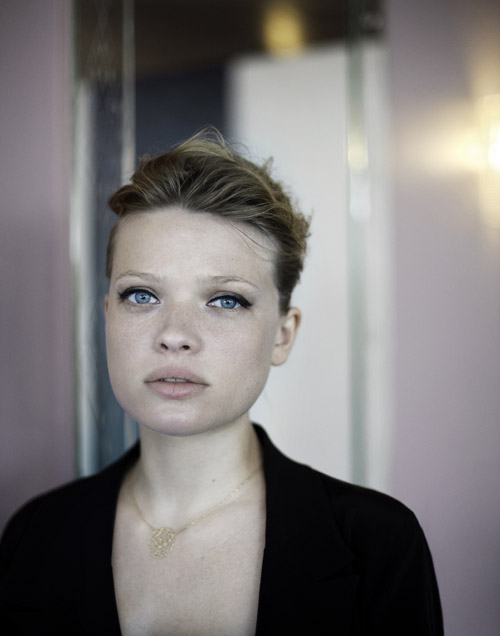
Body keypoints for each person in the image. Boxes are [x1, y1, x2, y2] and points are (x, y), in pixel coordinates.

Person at [0, 130, 443, 635]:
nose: (174, 335)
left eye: (225, 300)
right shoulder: (33, 535)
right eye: (141, 295)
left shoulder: (379, 544)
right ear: (108, 315)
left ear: (283, 335)